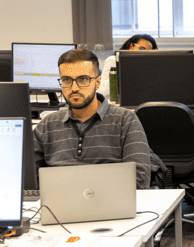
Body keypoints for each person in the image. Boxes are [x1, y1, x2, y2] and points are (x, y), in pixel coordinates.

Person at [34, 48, 152, 189]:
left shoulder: (125, 121)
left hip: (111, 207)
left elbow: (139, 180)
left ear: (97, 82)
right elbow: (29, 180)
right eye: (66, 80)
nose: (74, 88)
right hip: (58, 208)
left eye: (83, 79)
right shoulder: (47, 125)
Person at [99, 34, 158, 98]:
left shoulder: (147, 67)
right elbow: (101, 90)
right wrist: (124, 72)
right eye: (141, 49)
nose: (143, 53)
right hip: (115, 102)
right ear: (131, 46)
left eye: (148, 52)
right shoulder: (113, 60)